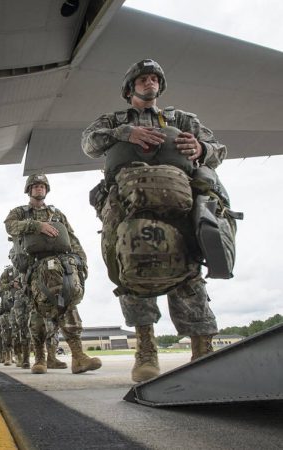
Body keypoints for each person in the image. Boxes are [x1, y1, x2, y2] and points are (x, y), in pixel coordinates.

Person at [81, 59, 226, 382]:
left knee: (189, 265)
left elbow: (219, 151)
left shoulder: (183, 119)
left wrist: (201, 147)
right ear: (130, 87)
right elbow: (89, 144)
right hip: (126, 201)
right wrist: (124, 133)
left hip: (179, 198)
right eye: (143, 79)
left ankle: (201, 348)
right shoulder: (114, 120)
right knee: (129, 267)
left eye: (154, 79)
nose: (149, 83)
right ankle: (145, 348)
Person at [4, 174, 102, 375]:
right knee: (37, 311)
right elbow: (10, 226)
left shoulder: (57, 214)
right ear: (29, 190)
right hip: (35, 267)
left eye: (42, 186)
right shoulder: (20, 213)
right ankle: (39, 358)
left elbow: (71, 238)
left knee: (68, 304)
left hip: (60, 266)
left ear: (46, 190)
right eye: (35, 186)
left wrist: (81, 263)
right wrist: (37, 226)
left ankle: (78, 357)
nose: (39, 189)